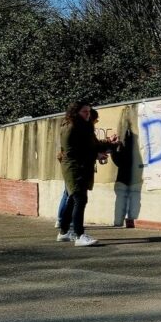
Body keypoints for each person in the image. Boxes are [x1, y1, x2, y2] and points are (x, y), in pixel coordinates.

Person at [57, 102, 118, 246]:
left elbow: (93, 144)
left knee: (73, 200)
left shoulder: (84, 126)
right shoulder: (71, 127)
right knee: (80, 199)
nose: (88, 115)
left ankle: (64, 232)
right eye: (85, 112)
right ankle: (80, 236)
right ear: (75, 112)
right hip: (74, 167)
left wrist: (110, 143)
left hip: (82, 166)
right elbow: (72, 152)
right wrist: (95, 155)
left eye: (89, 112)